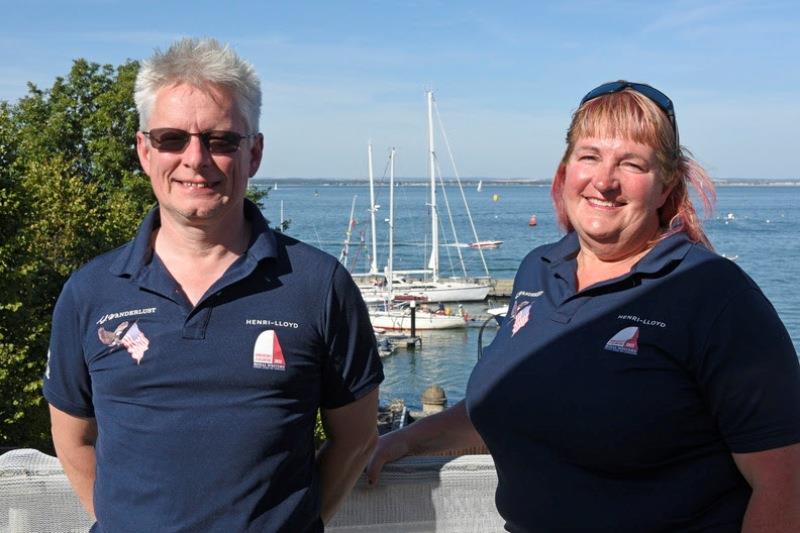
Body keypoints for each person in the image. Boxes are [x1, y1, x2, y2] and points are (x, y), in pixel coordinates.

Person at [367, 81, 800, 532]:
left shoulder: (714, 295)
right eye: (589, 156)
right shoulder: (539, 270)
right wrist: (403, 441)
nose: (605, 182)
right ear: (566, 169)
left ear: (667, 183)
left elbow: (784, 483)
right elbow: (509, 405)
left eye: (631, 164)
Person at [43, 38, 383, 532]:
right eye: (171, 139)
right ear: (144, 150)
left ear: (255, 153)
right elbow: (72, 440)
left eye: (221, 140)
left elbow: (356, 438)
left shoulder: (318, 284)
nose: (195, 159)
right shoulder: (91, 291)